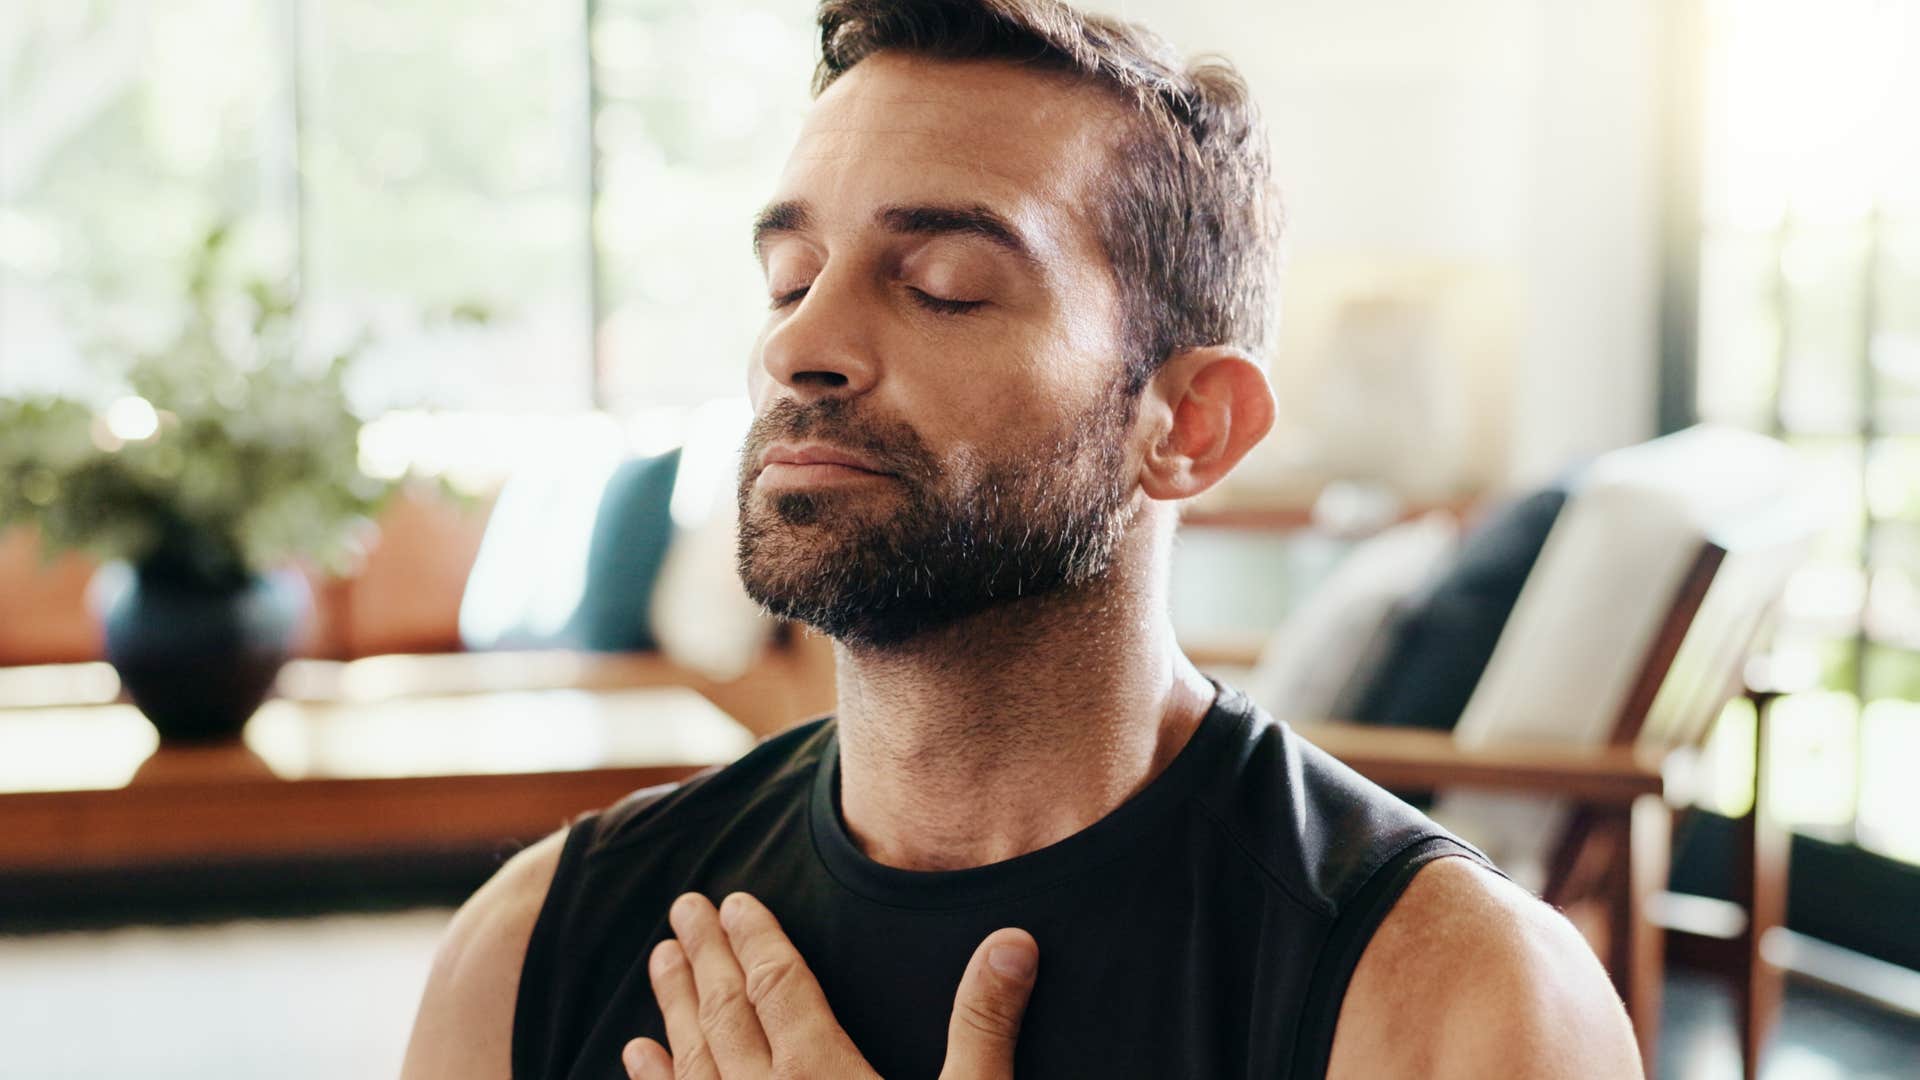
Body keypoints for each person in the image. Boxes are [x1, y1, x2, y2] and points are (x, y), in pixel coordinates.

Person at [401, 1, 1644, 1077]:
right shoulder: (531, 945)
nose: (798, 344)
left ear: (1191, 425)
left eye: (941, 285)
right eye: (789, 277)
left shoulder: (1462, 1001)